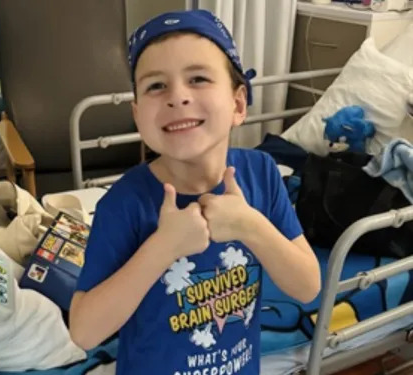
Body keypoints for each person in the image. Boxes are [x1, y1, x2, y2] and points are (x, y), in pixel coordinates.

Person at [69, 9, 321, 375]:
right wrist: (164, 246)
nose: (177, 97)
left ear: (238, 104)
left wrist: (249, 226)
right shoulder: (124, 203)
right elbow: (85, 332)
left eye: (198, 78)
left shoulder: (262, 173)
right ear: (139, 117)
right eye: (157, 85)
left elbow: (307, 287)